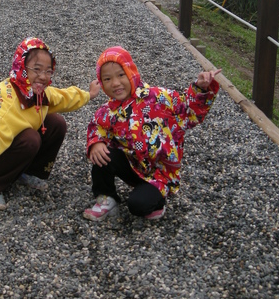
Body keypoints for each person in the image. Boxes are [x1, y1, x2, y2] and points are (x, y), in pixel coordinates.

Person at [0, 37, 100, 210]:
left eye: (48, 71)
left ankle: (30, 173)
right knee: (31, 139)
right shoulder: (7, 104)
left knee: (56, 122)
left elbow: (63, 97)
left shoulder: (35, 92)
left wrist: (88, 94)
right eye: (36, 69)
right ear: (21, 66)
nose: (43, 77)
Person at [83, 46, 221, 222]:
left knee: (138, 206)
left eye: (121, 75)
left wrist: (200, 89)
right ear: (101, 83)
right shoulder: (107, 111)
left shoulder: (158, 97)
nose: (115, 83)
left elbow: (188, 110)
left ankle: (157, 198)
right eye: (107, 79)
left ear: (131, 73)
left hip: (159, 173)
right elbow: (97, 127)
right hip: (133, 166)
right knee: (101, 153)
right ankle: (106, 198)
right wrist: (96, 142)